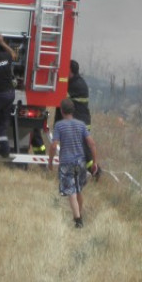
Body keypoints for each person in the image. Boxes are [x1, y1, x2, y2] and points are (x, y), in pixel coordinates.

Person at [48, 98, 97, 228]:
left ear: (62, 111)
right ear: (73, 110)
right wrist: (94, 162)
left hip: (67, 162)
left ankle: (77, 220)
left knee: (71, 191)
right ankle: (79, 214)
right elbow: (91, 143)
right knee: (78, 189)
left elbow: (53, 146)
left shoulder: (59, 126)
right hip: (81, 162)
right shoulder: (81, 125)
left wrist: (50, 162)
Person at [53, 59, 100, 179]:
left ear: (70, 71)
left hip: (81, 123)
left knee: (83, 149)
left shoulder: (77, 85)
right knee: (82, 149)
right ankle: (90, 171)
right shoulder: (74, 81)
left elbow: (60, 95)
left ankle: (95, 171)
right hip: (79, 121)